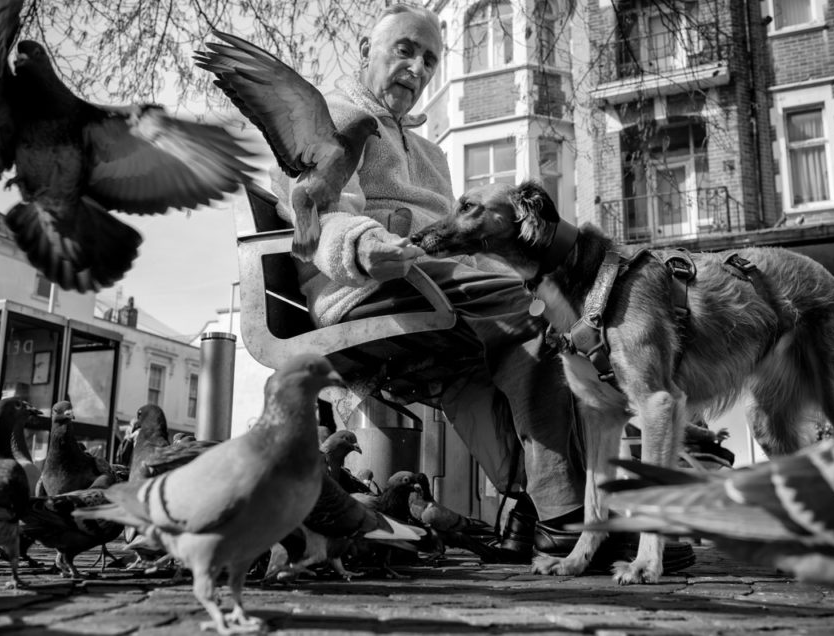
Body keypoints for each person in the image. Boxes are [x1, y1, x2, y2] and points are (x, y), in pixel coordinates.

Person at [270, 4, 693, 570]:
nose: (417, 69)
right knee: (543, 316)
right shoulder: (335, 118)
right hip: (366, 284)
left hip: (434, 287)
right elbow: (325, 212)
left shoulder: (431, 153)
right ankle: (571, 519)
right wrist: (363, 245)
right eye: (404, 51)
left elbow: (455, 236)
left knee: (501, 365)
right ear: (365, 53)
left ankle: (543, 515)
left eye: (429, 60)